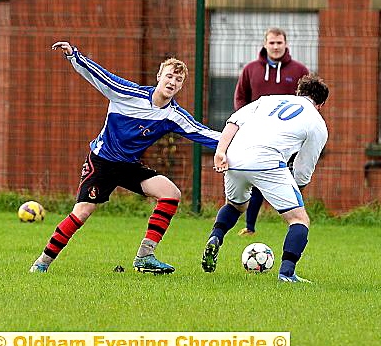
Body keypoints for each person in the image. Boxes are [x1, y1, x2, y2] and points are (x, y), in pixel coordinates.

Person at [29, 41, 220, 274]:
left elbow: (203, 133)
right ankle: (42, 263)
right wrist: (74, 56)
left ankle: (145, 256)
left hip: (128, 165)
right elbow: (100, 76)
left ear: (181, 86)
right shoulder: (128, 94)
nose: (172, 82)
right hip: (102, 162)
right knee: (82, 212)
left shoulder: (173, 115)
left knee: (170, 193)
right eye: (169, 76)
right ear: (159, 76)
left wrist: (237, 140)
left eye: (178, 80)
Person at [201, 74, 329, 283]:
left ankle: (216, 236)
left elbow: (234, 122)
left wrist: (220, 152)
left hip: (235, 155)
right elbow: (303, 168)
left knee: (234, 206)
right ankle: (287, 274)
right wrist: (295, 190)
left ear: (298, 92)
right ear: (321, 104)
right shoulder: (317, 123)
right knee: (299, 219)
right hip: (268, 160)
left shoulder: (268, 99)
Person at [234, 27, 309, 237]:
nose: (275, 47)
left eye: (279, 43)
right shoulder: (250, 69)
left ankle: (296, 220)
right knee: (257, 176)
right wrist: (244, 122)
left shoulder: (299, 70)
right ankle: (250, 226)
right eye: (272, 43)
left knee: (291, 178)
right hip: (257, 135)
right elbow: (240, 97)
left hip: (288, 138)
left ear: (285, 44)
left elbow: (306, 103)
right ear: (265, 44)